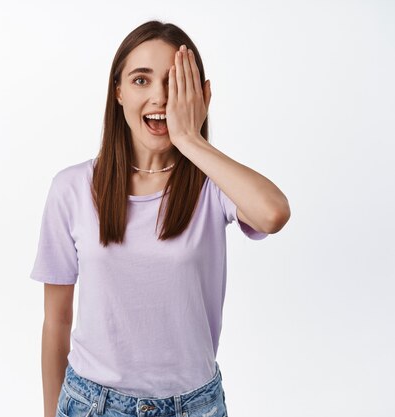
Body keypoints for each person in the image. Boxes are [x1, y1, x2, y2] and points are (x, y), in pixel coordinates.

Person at [29, 20, 290, 417]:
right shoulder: (71, 189)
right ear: (117, 92)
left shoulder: (213, 185)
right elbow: (56, 321)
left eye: (174, 82)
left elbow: (273, 214)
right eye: (141, 80)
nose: (159, 96)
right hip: (90, 404)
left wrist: (190, 139)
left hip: (194, 406)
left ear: (199, 95)